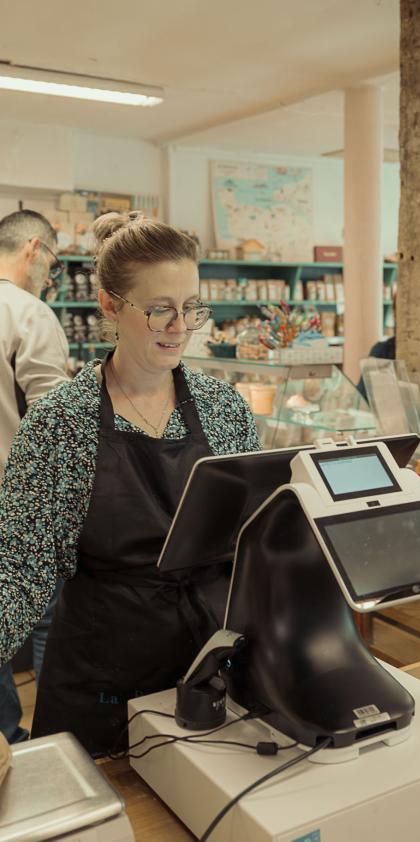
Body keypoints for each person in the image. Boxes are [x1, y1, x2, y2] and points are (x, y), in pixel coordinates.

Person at [0, 212, 260, 756]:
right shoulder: (60, 424)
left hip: (206, 677)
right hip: (101, 690)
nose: (179, 326)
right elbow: (17, 578)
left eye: (192, 308)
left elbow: (256, 544)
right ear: (110, 305)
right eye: (160, 308)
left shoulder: (223, 409)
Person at [0, 210, 69, 744]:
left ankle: (3, 742)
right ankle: (56, 741)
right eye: (52, 260)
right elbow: (52, 425)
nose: (50, 273)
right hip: (15, 504)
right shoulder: (27, 313)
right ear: (32, 249)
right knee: (46, 621)